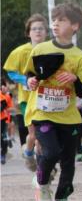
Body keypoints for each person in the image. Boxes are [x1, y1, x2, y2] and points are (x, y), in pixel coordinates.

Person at [24, 2, 82, 201]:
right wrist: (31, 81)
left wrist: (73, 79)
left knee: (68, 163)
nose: (55, 24)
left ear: (75, 26)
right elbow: (29, 74)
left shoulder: (79, 56)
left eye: (61, 20)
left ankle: (62, 198)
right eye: (54, 19)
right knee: (51, 152)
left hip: (69, 117)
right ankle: (42, 184)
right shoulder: (41, 49)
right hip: (43, 113)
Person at [3, 13, 49, 170]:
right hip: (28, 99)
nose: (38, 31)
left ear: (46, 32)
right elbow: (10, 71)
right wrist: (26, 80)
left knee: (46, 135)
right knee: (35, 135)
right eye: (34, 29)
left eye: (41, 28)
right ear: (28, 32)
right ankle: (30, 154)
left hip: (48, 98)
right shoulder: (20, 51)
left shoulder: (52, 49)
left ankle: (43, 163)